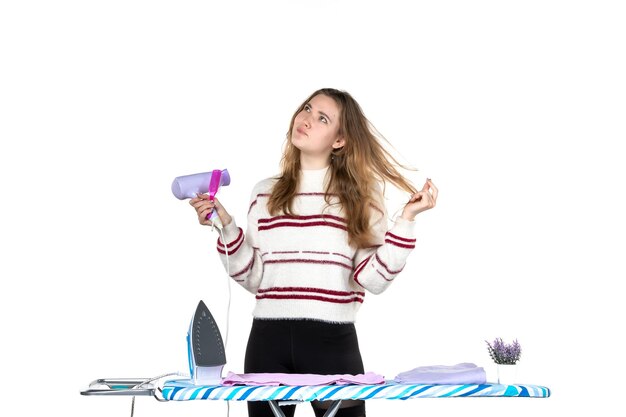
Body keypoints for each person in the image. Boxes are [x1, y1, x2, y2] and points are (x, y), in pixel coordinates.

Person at [190, 88, 438, 417]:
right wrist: (224, 224)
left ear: (340, 140)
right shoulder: (264, 194)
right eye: (307, 109)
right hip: (267, 343)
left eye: (322, 118)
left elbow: (372, 280)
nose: (306, 119)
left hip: (333, 344)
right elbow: (254, 278)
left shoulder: (362, 199)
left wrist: (406, 221)